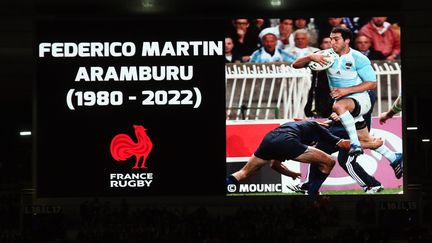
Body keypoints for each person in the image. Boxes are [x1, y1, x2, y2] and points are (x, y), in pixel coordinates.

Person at [226, 120, 380, 196]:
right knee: (329, 161)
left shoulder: (301, 125)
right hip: (287, 140)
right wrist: (371, 144)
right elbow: (346, 145)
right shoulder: (320, 130)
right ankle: (312, 195)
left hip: (269, 139)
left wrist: (291, 174)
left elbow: (274, 164)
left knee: (243, 173)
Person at [292, 26, 377, 156]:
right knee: (364, 140)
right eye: (331, 39)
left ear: (347, 40)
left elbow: (372, 84)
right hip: (341, 104)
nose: (332, 43)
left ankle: (355, 144)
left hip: (361, 99)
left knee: (343, 148)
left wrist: (346, 91)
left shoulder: (358, 58)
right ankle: (393, 157)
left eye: (336, 39)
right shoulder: (326, 55)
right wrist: (310, 57)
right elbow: (295, 65)